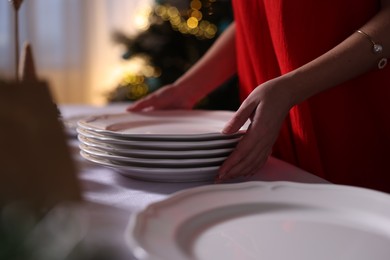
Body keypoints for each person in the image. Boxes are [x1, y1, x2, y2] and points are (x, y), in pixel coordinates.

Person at [127, 0, 390, 193]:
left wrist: (291, 88)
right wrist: (187, 89)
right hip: (272, 126)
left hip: (349, 126)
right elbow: (253, 18)